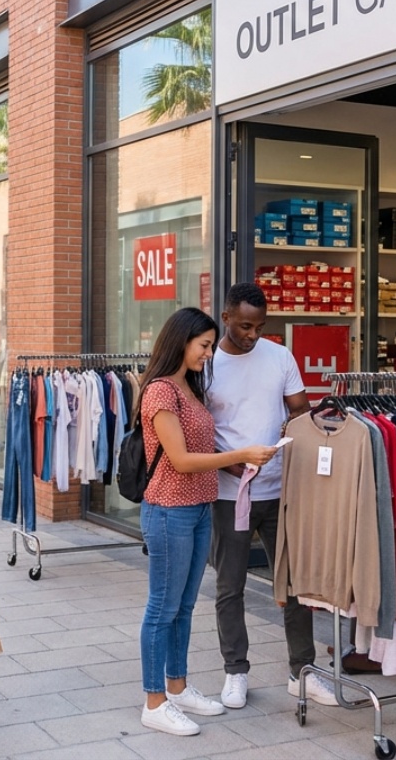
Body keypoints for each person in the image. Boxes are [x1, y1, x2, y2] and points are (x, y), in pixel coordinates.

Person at [136, 306, 278, 738]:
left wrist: (237, 468)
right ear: (181, 341)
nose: (209, 353)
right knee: (162, 607)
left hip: (198, 507)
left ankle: (176, 687)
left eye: (211, 346)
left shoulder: (191, 387)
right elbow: (179, 460)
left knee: (182, 605)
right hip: (168, 510)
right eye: (203, 345)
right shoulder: (162, 391)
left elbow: (202, 449)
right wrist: (241, 455)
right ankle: (154, 701)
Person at [205, 283, 337, 709]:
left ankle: (302, 673)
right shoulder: (207, 364)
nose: (253, 334)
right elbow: (197, 432)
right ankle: (235, 672)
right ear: (226, 317)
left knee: (296, 586)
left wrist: (293, 425)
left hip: (282, 490)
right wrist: (230, 464)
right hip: (231, 493)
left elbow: (300, 410)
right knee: (230, 586)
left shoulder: (279, 356)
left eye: (260, 326)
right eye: (245, 325)